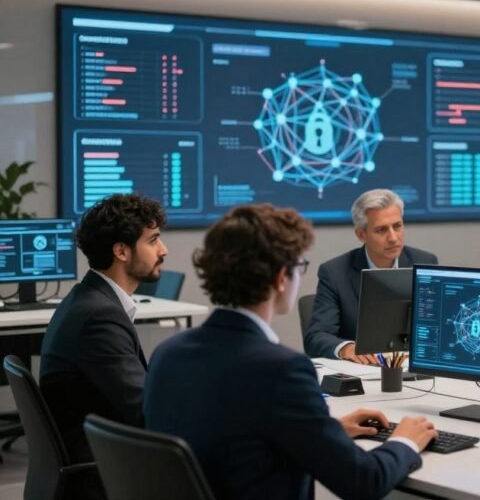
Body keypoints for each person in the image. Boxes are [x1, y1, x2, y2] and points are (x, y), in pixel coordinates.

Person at [145, 204, 436, 500]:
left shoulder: (167, 353)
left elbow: (233, 433)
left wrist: (326, 430)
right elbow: (364, 482)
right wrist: (404, 442)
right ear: (281, 278)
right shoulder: (282, 370)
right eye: (300, 267)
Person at [40, 193, 167, 497]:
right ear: (121, 251)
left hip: (97, 459)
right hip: (102, 475)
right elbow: (144, 412)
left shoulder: (87, 300)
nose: (163, 250)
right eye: (153, 241)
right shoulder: (99, 317)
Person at [304, 189, 438, 362]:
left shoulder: (424, 262)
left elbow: (437, 325)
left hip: (412, 368)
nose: (393, 238)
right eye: (381, 230)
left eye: (397, 226)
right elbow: (316, 336)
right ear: (361, 234)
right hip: (363, 372)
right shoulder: (335, 272)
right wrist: (347, 348)